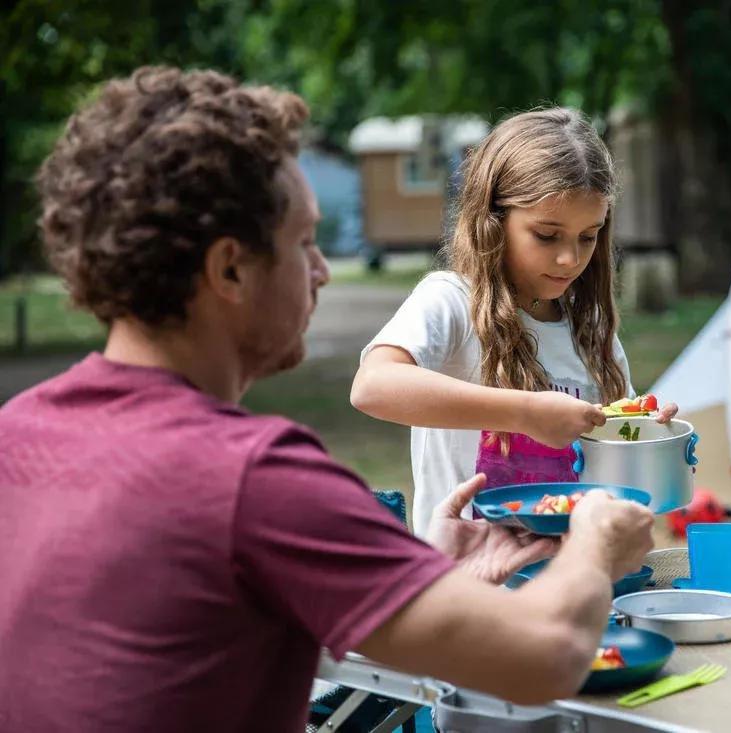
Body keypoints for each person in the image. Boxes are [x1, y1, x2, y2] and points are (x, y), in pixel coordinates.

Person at [0, 67, 655, 732]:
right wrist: (598, 540)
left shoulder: (15, 432)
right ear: (230, 267)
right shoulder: (260, 484)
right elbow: (544, 657)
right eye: (306, 242)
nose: (320, 271)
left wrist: (437, 579)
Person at [352, 108, 677, 534]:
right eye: (546, 235)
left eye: (588, 236)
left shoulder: (591, 328)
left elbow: (612, 465)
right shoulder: (452, 301)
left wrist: (646, 433)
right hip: (470, 590)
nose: (570, 258)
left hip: (571, 584)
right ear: (494, 221)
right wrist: (525, 412)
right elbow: (372, 387)